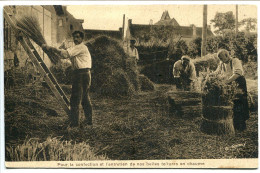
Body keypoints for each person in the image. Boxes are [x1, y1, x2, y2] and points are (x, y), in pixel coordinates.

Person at [42, 30, 92, 127]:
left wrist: (50, 48)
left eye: (78, 37)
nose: (76, 39)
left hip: (81, 74)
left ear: (82, 39)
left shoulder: (81, 47)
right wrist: (54, 51)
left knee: (75, 99)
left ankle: (74, 124)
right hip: (84, 74)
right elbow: (64, 56)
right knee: (85, 98)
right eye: (74, 37)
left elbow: (65, 54)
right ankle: (88, 121)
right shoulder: (76, 48)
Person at [213, 49, 249, 132]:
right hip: (230, 85)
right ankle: (234, 125)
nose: (221, 60)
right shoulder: (222, 63)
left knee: (239, 104)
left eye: (222, 58)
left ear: (227, 55)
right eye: (220, 59)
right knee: (232, 104)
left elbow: (238, 73)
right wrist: (210, 76)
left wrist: (227, 81)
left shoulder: (235, 61)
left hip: (238, 84)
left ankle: (241, 126)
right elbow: (217, 72)